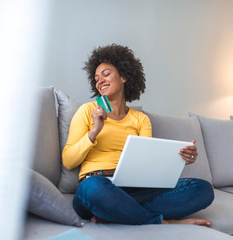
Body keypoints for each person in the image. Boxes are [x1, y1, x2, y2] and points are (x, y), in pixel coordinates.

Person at [62, 44, 214, 226]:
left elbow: (146, 164)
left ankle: (117, 213)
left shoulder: (140, 120)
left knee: (202, 189)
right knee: (92, 188)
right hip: (98, 185)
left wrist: (181, 157)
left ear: (124, 76)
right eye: (96, 78)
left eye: (106, 74)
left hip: (135, 189)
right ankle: (162, 222)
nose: (99, 81)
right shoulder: (87, 111)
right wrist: (94, 131)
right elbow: (69, 161)